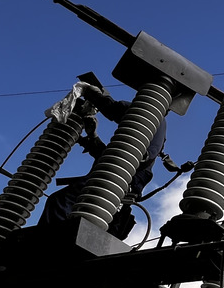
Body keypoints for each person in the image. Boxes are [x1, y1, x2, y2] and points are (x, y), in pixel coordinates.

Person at [40, 83, 167, 240]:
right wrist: (92, 136)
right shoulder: (140, 139)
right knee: (60, 204)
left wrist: (92, 93)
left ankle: (46, 245)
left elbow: (114, 109)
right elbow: (110, 157)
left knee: (60, 203)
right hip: (114, 181)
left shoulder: (151, 117)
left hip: (116, 184)